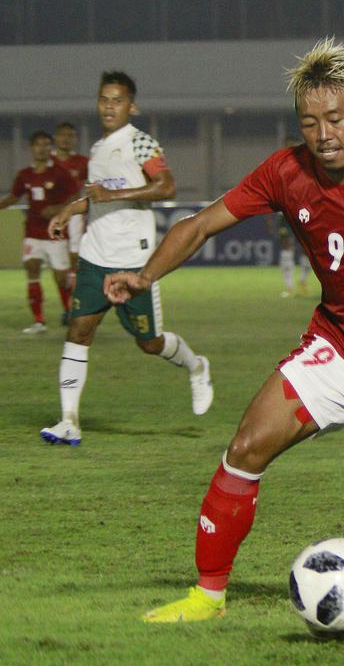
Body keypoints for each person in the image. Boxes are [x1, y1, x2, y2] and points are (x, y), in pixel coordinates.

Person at [106, 38, 344, 624]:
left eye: (336, 119)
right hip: (337, 348)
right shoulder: (287, 171)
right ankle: (207, 597)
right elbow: (201, 223)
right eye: (309, 123)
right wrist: (144, 276)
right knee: (246, 447)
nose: (323, 134)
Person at [41, 72, 213, 447]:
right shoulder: (98, 148)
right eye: (104, 99)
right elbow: (98, 196)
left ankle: (196, 365)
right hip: (94, 257)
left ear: (131, 107)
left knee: (149, 343)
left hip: (133, 262)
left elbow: (166, 187)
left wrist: (112, 196)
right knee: (78, 331)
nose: (109, 106)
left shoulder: (140, 142)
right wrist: (69, 210)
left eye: (117, 100)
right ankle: (69, 421)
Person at [0, 131, 78, 334]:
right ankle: (39, 321)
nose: (42, 148)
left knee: (61, 278)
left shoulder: (59, 172)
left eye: (46, 145)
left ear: (50, 148)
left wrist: (57, 208)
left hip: (55, 233)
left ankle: (70, 311)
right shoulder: (25, 175)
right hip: (32, 232)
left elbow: (75, 195)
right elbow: (13, 197)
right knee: (32, 268)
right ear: (31, 148)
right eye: (38, 144)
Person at [53, 122, 90, 293]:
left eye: (70, 135)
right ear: (55, 137)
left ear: (75, 139)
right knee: (59, 263)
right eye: (62, 134)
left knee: (75, 256)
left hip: (75, 217)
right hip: (52, 216)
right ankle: (68, 300)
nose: (66, 139)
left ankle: (74, 299)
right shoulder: (48, 161)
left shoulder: (83, 162)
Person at [274, 135, 313, 297]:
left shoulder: (307, 168)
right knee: (286, 246)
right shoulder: (278, 167)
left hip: (303, 213)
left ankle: (303, 280)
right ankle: (288, 285)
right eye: (288, 147)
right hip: (284, 214)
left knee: (307, 248)